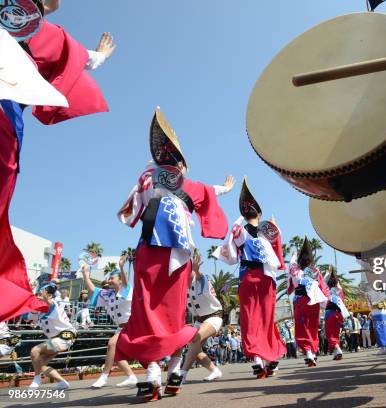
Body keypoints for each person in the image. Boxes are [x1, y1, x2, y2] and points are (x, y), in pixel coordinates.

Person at [0, 2, 111, 322]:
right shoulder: (52, 36)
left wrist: (98, 56)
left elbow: (85, 59)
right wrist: (100, 55)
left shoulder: (49, 36)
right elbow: (88, 60)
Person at [114, 107, 230, 401]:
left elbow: (129, 214)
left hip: (149, 251)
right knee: (173, 313)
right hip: (178, 255)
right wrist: (224, 188)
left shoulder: (146, 179)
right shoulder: (192, 186)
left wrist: (150, 176)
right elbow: (210, 193)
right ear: (183, 164)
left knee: (146, 314)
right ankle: (174, 371)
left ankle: (153, 373)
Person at [214, 178, 286, 379]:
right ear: (259, 213)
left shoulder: (239, 230)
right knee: (266, 319)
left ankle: (257, 361)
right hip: (267, 278)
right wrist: (276, 231)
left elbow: (232, 254)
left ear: (244, 214)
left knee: (249, 320)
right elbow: (278, 258)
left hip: (247, 277)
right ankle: (271, 357)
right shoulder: (269, 231)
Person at [165, 250, 226, 394]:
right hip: (199, 321)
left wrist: (196, 270)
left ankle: (182, 374)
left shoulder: (201, 279)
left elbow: (199, 278)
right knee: (195, 350)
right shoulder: (181, 287)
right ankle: (215, 370)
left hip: (214, 316)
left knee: (194, 340)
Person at [82, 254, 138, 389]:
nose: (109, 280)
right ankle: (131, 376)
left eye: (112, 278)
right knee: (115, 353)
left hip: (133, 326)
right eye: (109, 278)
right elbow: (92, 290)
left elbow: (125, 283)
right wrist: (85, 275)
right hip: (121, 328)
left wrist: (121, 266)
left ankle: (104, 376)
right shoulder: (108, 294)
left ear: (119, 280)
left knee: (111, 343)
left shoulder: (126, 290)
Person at [22, 281, 76, 390]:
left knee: (34, 351)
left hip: (65, 337)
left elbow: (48, 301)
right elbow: (24, 314)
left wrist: (46, 292)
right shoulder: (38, 311)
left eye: (41, 293)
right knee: (40, 364)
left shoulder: (54, 305)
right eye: (38, 294)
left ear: (49, 295)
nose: (38, 296)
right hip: (55, 340)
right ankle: (62, 383)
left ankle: (36, 381)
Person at [288, 238, 330, 367]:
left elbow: (291, 265)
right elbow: (323, 286)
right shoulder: (315, 272)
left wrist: (294, 256)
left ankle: (308, 353)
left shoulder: (295, 271)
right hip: (314, 302)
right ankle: (312, 351)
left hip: (301, 301)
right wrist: (325, 301)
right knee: (312, 327)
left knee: (302, 328)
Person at [324, 268, 350, 360]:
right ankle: (336, 353)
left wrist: (327, 273)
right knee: (335, 334)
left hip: (330, 313)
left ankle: (338, 350)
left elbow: (323, 282)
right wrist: (333, 274)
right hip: (339, 314)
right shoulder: (340, 290)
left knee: (329, 334)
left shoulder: (327, 289)